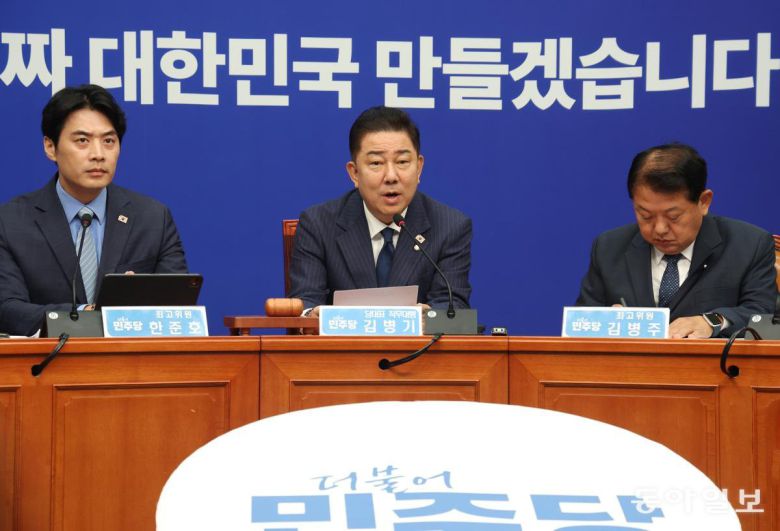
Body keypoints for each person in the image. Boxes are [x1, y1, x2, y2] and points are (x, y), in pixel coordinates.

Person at [0, 84, 188, 336]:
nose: (98, 154)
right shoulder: (10, 222)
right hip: (48, 359)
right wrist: (88, 315)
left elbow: (177, 308)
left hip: (130, 359)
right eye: (82, 141)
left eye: (108, 141)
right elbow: (7, 309)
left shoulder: (153, 218)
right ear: (50, 147)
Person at [577, 143, 776, 338]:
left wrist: (713, 321)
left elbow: (762, 314)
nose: (659, 229)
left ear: (704, 202)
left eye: (673, 217)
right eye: (645, 216)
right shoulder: (609, 248)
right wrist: (604, 321)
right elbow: (581, 323)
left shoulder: (749, 245)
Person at [288, 106, 472, 316]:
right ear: (354, 173)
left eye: (402, 162)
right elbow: (305, 301)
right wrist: (312, 315)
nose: (391, 176)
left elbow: (452, 305)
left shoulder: (450, 226)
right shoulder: (318, 224)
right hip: (343, 338)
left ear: (419, 168)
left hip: (419, 338)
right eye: (376, 163)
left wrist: (431, 317)